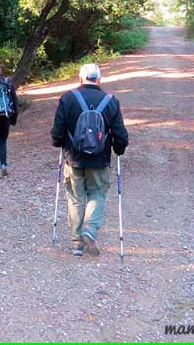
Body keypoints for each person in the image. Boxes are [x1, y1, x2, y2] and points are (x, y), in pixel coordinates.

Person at [51, 63, 128, 257]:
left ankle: (78, 243)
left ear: (80, 78)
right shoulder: (110, 101)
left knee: (75, 199)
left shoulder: (68, 98)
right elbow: (120, 135)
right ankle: (90, 231)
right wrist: (119, 149)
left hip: (73, 159)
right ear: (99, 79)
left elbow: (57, 132)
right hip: (100, 160)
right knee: (98, 193)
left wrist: (59, 143)